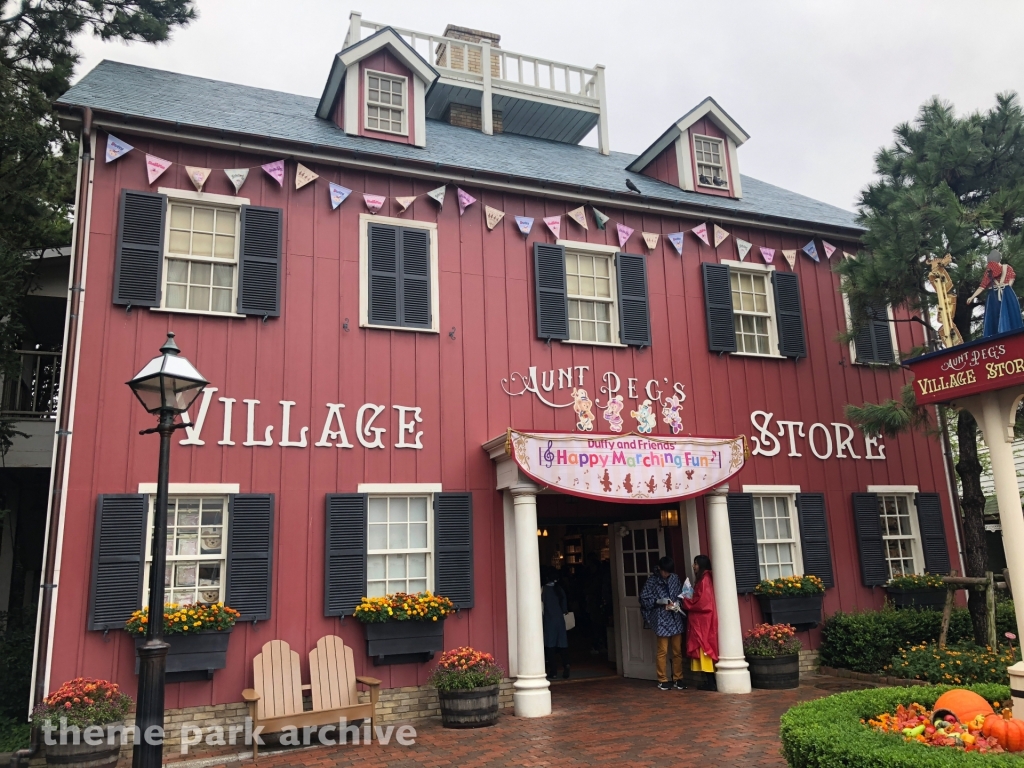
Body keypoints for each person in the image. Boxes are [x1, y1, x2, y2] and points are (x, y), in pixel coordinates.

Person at [639, 556, 687, 691]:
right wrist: (659, 601)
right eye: (664, 571)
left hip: (675, 616)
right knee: (663, 650)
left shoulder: (675, 578)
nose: (666, 574)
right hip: (661, 617)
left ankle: (678, 678)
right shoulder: (652, 581)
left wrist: (677, 603)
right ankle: (662, 679)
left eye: (668, 572)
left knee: (677, 650)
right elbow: (643, 598)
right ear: (659, 568)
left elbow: (681, 595)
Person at [967, 250, 1024, 338]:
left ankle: (1014, 336)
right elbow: (982, 286)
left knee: (1008, 314)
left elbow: (1011, 278)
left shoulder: (1007, 268)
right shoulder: (989, 271)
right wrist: (972, 297)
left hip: (1006, 293)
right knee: (993, 316)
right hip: (994, 295)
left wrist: (1005, 287)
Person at [682, 554, 719, 691]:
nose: (694, 566)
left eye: (696, 563)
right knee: (702, 648)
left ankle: (711, 682)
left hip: (703, 620)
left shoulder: (705, 580)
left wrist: (687, 600)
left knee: (704, 648)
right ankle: (709, 681)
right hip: (701, 619)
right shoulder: (703, 579)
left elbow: (703, 602)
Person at [541, 566, 570, 680]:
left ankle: (553, 671)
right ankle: (566, 666)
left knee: (550, 646)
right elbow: (564, 607)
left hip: (549, 620)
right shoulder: (559, 589)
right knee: (563, 644)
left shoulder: (544, 590)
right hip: (560, 619)